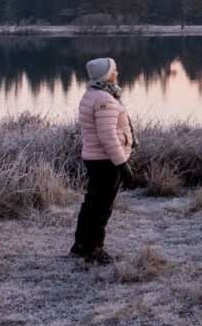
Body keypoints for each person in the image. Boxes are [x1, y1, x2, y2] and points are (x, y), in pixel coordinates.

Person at [70, 56, 136, 264]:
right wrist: (122, 164)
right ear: (106, 75)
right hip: (105, 160)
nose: (117, 73)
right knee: (101, 206)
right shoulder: (104, 99)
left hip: (95, 157)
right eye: (114, 70)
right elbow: (107, 136)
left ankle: (81, 244)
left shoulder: (91, 94)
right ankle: (94, 250)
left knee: (92, 201)